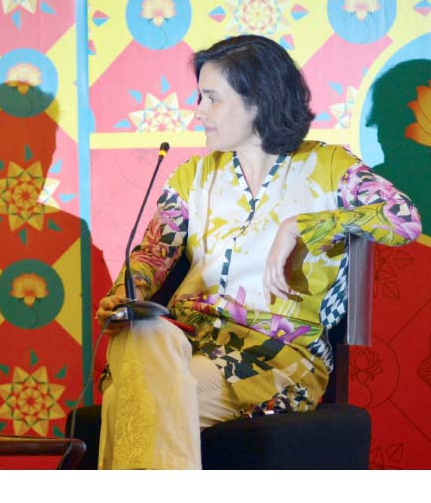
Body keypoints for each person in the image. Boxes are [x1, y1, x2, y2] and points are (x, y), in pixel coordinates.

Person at [94, 34, 422, 469]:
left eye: (212, 98)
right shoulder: (192, 176)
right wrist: (123, 296)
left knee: (130, 396)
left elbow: (404, 220)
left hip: (274, 355)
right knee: (146, 333)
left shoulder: (329, 167)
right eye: (200, 97)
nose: (198, 111)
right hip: (187, 343)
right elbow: (153, 254)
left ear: (259, 100)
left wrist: (302, 225)